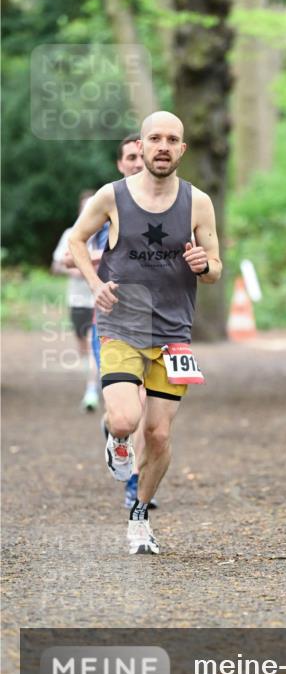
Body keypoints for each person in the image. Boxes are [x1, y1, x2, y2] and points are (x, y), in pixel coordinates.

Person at [68, 111, 222, 554]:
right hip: (122, 326)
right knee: (124, 419)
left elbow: (214, 267)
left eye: (172, 139)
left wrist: (204, 266)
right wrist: (96, 285)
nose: (162, 146)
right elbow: (78, 240)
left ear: (182, 149)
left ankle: (139, 517)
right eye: (155, 138)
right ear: (142, 143)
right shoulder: (112, 196)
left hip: (173, 333)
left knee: (158, 435)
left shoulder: (198, 202)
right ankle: (116, 441)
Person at [93, 132, 152, 509]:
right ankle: (115, 428)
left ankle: (134, 485)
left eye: (140, 156)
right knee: (127, 412)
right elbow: (77, 247)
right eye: (130, 157)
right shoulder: (109, 205)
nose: (136, 162)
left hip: (159, 323)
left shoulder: (165, 206)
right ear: (121, 163)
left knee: (146, 404)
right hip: (113, 322)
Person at [51, 191, 102, 412]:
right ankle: (93, 379)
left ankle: (92, 390)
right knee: (83, 346)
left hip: (101, 300)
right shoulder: (70, 234)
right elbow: (56, 265)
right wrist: (76, 270)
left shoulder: (107, 233)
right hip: (78, 299)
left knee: (94, 344)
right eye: (85, 207)